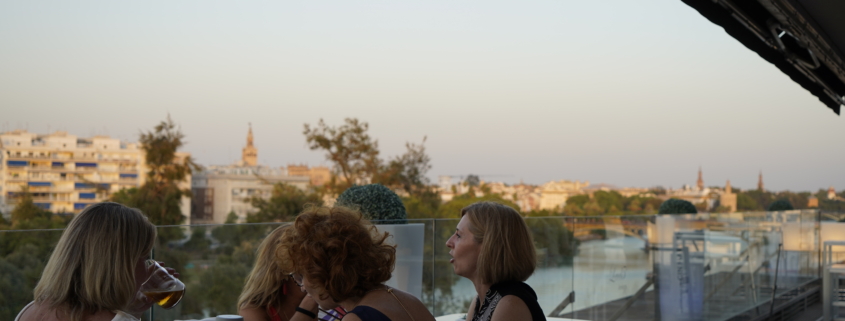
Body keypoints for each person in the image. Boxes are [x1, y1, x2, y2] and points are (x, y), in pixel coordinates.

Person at [15, 202, 177, 321]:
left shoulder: (30, 311)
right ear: (118, 265)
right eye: (145, 257)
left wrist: (131, 312)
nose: (147, 268)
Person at [280, 206, 435, 321]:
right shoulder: (408, 300)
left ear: (324, 273)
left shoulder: (358, 318)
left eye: (301, 276)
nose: (302, 286)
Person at [445, 201, 546, 321]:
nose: (449, 243)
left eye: (459, 235)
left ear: (488, 246)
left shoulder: (510, 304)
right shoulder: (481, 300)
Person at [238, 224, 320, 321]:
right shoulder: (253, 309)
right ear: (283, 271)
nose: (319, 274)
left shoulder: (329, 302)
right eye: (309, 270)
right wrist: (306, 311)